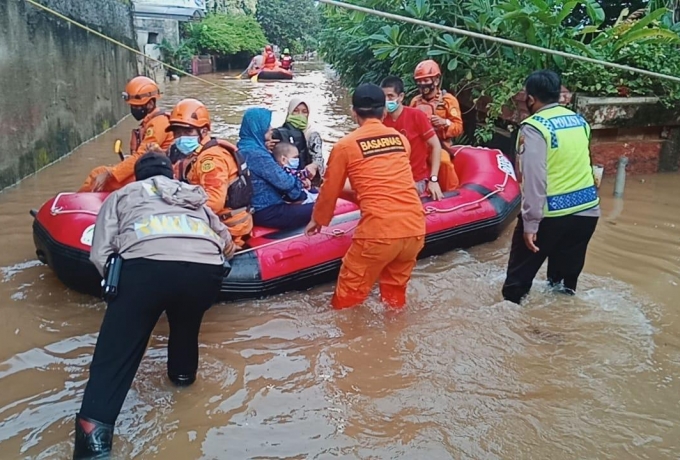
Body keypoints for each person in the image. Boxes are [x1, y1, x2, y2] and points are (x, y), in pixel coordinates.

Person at [72, 153, 235, 459]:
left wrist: (120, 288)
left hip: (145, 270)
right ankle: (184, 386)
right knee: (185, 330)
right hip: (204, 272)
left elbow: (100, 252)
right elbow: (227, 242)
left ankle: (93, 439)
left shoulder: (124, 194)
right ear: (172, 175)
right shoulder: (193, 196)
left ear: (138, 176)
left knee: (116, 355)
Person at [305, 83, 426, 309]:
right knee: (394, 297)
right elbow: (391, 184)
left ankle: (347, 340)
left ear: (353, 112)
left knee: (347, 297)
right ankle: (394, 336)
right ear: (385, 111)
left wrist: (318, 220)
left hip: (378, 232)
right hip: (415, 229)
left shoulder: (345, 146)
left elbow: (329, 189)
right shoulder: (401, 141)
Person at [501, 70, 600, 304]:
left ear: (531, 99)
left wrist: (531, 222)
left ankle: (516, 332)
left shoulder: (534, 128)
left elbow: (534, 178)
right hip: (587, 212)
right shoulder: (579, 121)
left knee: (515, 288)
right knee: (562, 288)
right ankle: (557, 333)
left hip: (550, 215)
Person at [167, 98, 253, 248]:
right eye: (177, 133)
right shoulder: (196, 155)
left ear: (204, 131)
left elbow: (214, 202)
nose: (181, 137)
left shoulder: (211, 159)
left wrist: (178, 211)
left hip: (229, 227)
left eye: (187, 131)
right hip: (217, 221)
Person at [79, 76, 174, 193]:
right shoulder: (150, 122)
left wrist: (111, 173)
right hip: (149, 169)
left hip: (155, 173)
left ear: (149, 104)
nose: (133, 109)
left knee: (98, 174)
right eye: (131, 106)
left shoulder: (158, 124)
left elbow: (140, 156)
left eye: (135, 106)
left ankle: (77, 204)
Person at [238, 107, 317, 230]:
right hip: (268, 211)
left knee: (315, 193)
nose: (271, 129)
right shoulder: (257, 154)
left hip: (259, 207)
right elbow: (283, 182)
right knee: (323, 206)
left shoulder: (244, 147)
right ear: (258, 128)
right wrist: (299, 189)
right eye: (267, 126)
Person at [381, 76, 445, 199]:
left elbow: (436, 145)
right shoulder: (381, 119)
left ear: (401, 97)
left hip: (415, 180)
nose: (386, 100)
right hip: (390, 179)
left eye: (390, 96)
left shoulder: (416, 116)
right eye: (383, 97)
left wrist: (433, 179)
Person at [409, 60, 463, 189]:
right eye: (419, 81)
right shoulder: (415, 102)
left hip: (439, 145)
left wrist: (445, 123)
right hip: (419, 146)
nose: (422, 84)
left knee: (444, 162)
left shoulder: (448, 101)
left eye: (426, 80)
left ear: (436, 80)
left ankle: (452, 193)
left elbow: (458, 127)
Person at [273, 97, 325, 182]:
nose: (300, 115)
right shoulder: (280, 132)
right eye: (296, 111)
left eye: (304, 112)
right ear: (289, 112)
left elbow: (319, 160)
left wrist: (313, 166)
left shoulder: (312, 134)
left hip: (308, 178)